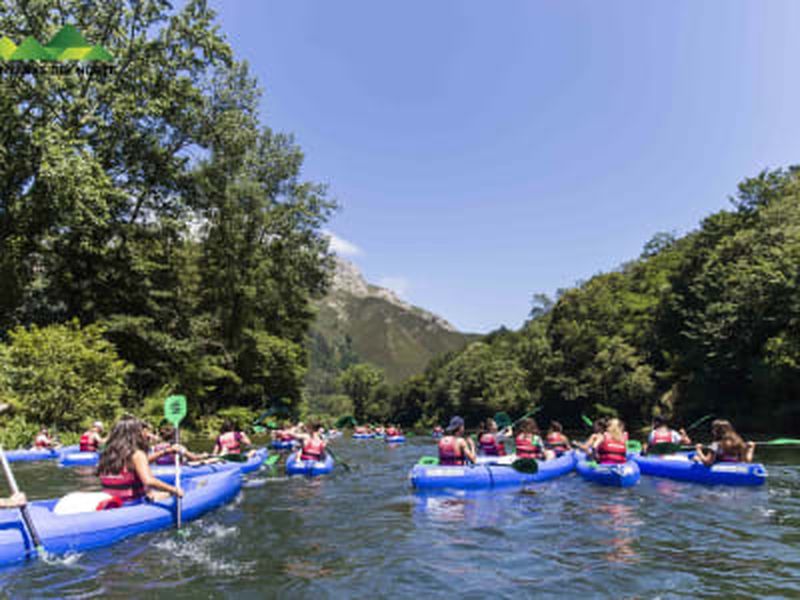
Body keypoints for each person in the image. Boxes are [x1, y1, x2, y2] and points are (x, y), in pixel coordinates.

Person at [97, 416, 183, 503]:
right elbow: (149, 481)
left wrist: (166, 451)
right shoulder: (136, 453)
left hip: (111, 503)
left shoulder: (107, 453)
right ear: (135, 433)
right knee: (168, 494)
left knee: (154, 493)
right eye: (142, 430)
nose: (145, 433)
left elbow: (142, 462)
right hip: (133, 503)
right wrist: (174, 490)